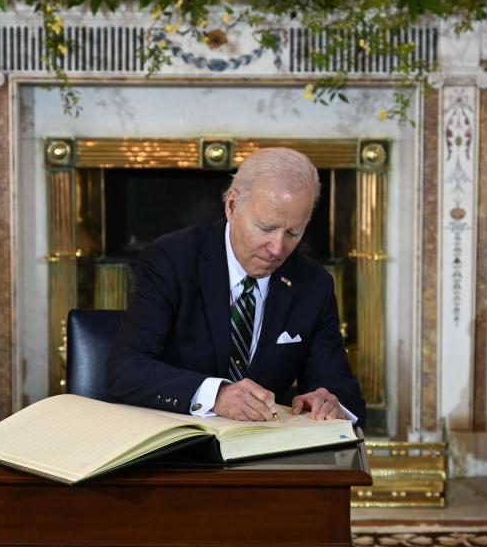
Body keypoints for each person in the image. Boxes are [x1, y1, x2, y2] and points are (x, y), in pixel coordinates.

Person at [106, 147, 365, 426]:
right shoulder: (172, 259)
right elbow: (125, 370)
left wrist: (330, 402)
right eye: (266, 228)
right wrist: (216, 395)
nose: (277, 249)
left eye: (293, 232)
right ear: (231, 206)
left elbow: (341, 391)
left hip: (263, 452)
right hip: (176, 443)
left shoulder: (313, 283)